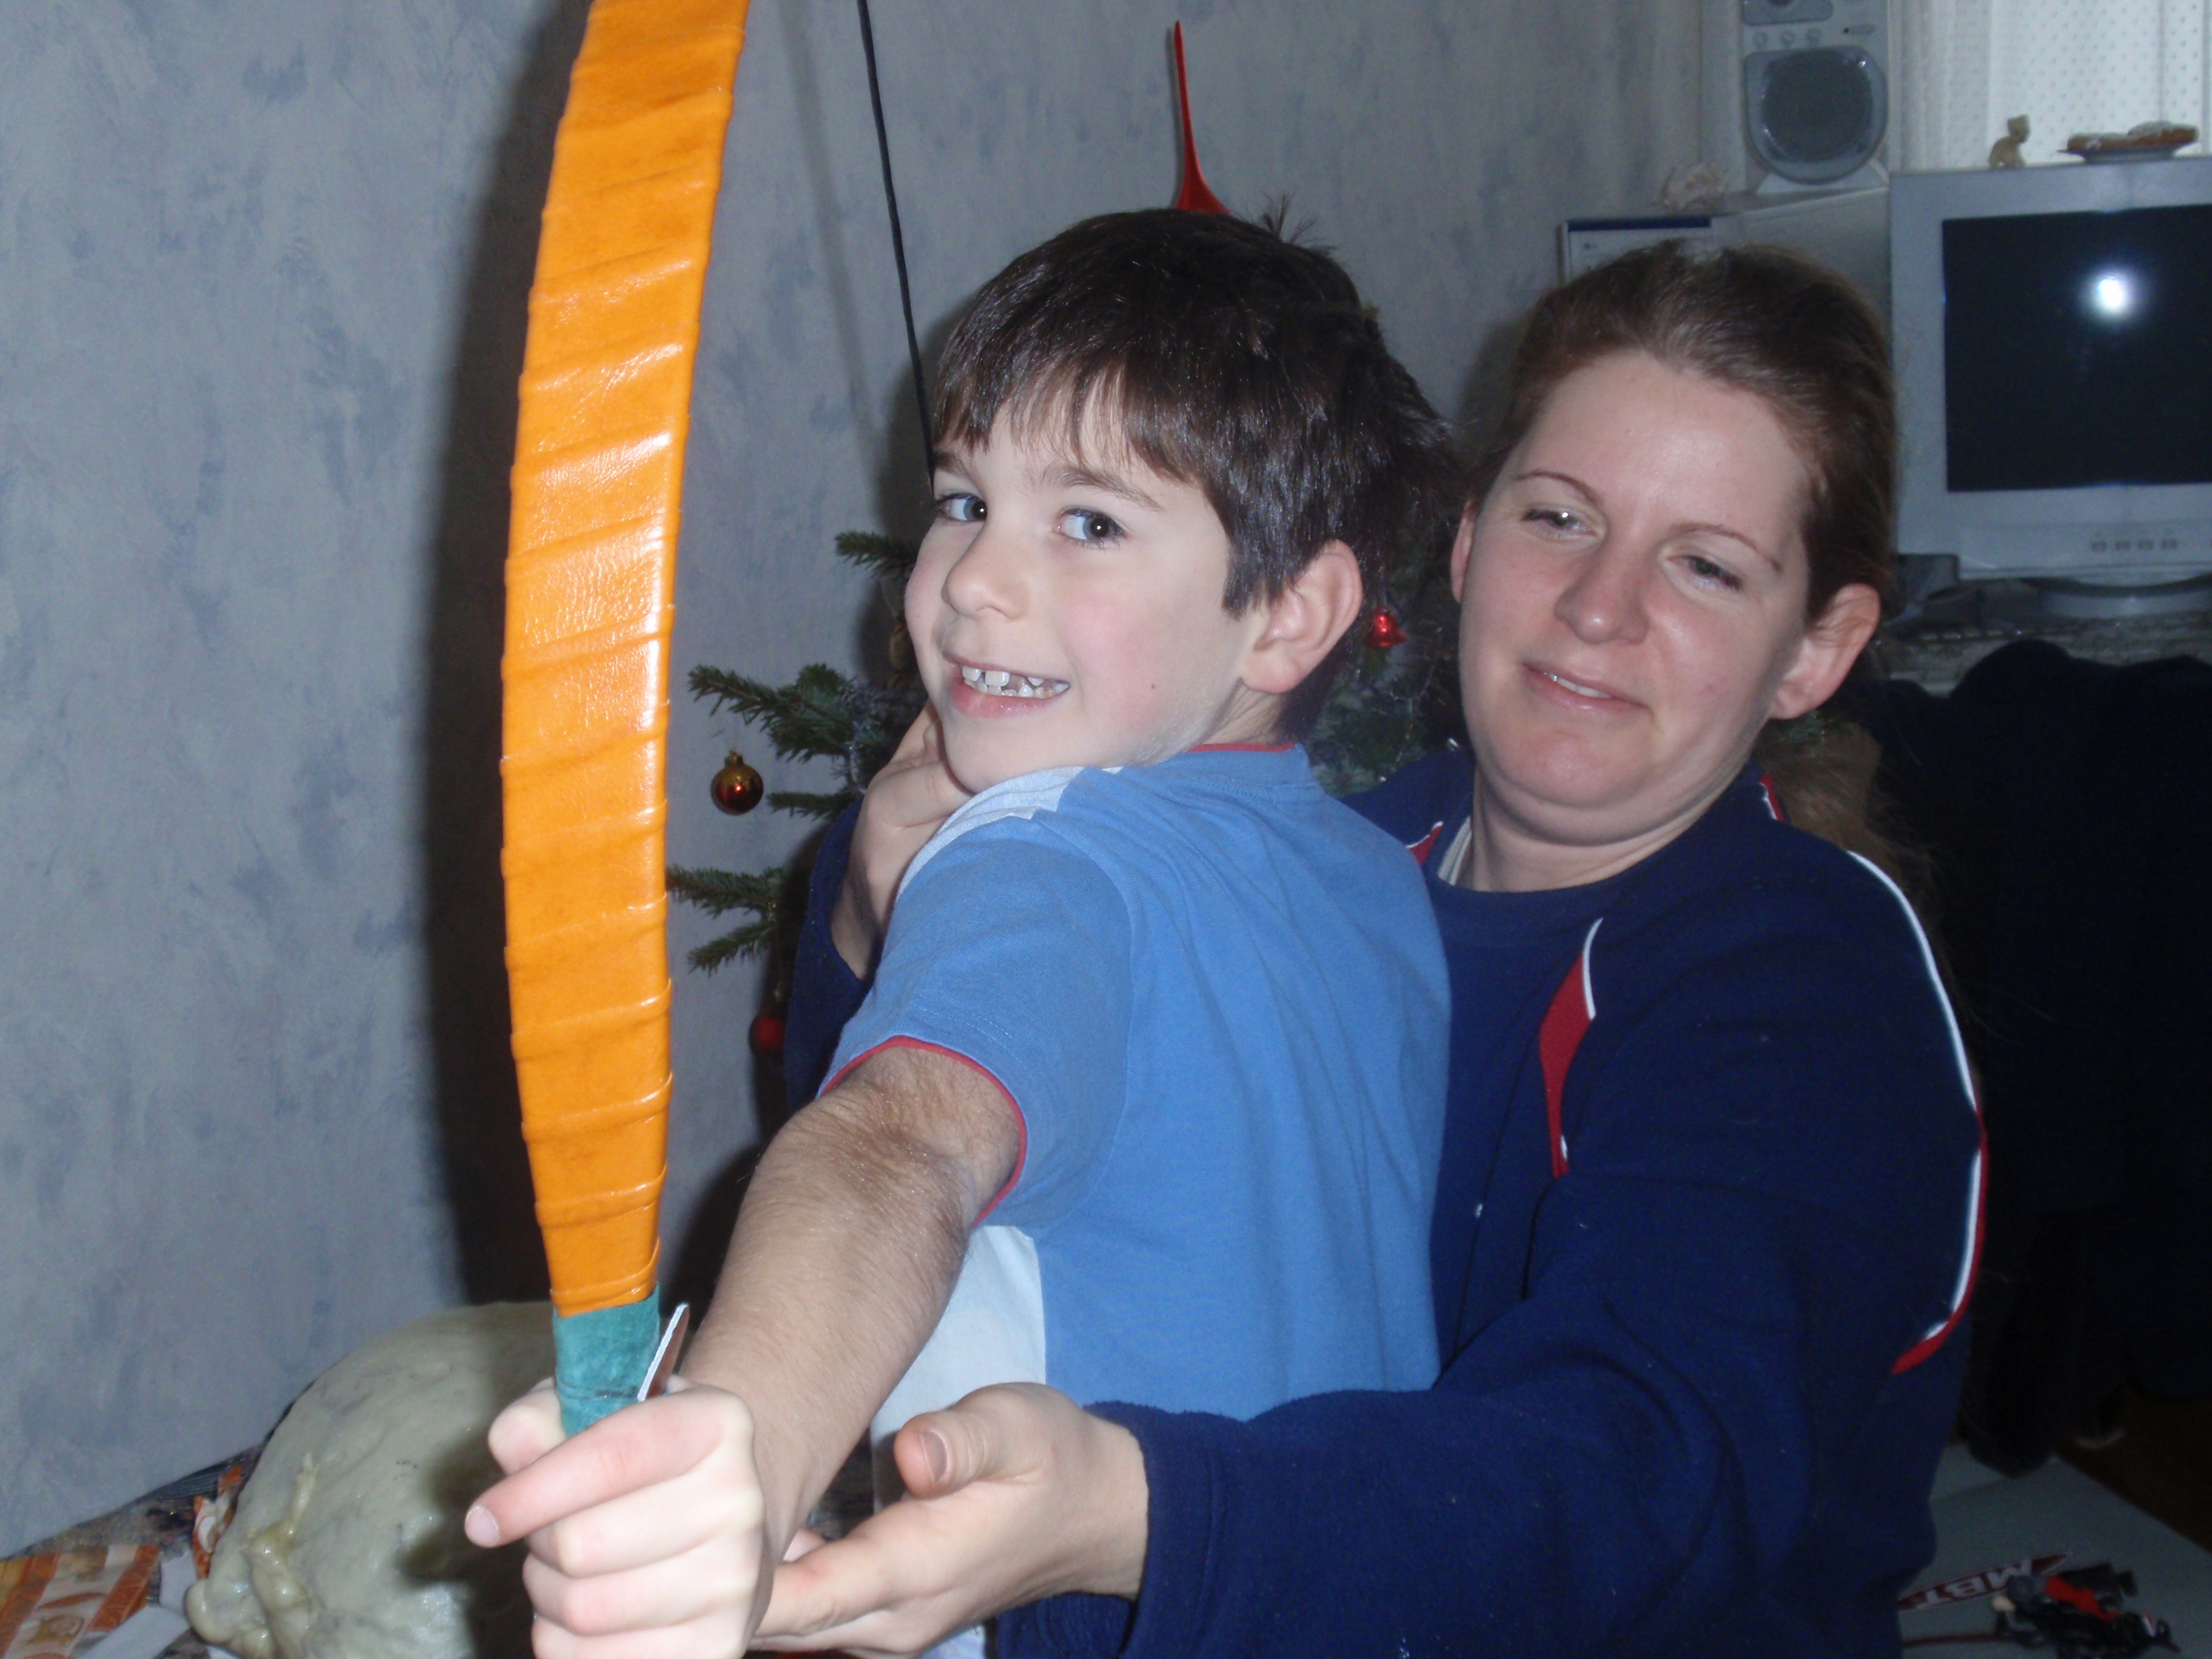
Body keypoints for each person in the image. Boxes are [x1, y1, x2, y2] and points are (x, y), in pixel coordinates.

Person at [749, 241, 1986, 1659]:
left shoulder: (1809, 986)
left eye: (1705, 567)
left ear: (1817, 649)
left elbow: (1640, 1472)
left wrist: (1145, 1513)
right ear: (1466, 543)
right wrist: (878, 915)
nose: (1599, 606)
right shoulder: (1340, 859)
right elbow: (933, 1150)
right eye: (1559, 517)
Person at [466, 209, 1466, 1658]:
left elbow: (900, 1145)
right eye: (961, 500)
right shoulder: (1380, 879)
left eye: (1089, 523)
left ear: (1289, 615)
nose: (974, 582)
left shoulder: (1041, 850)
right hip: (1325, 1587)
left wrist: (737, 1452)